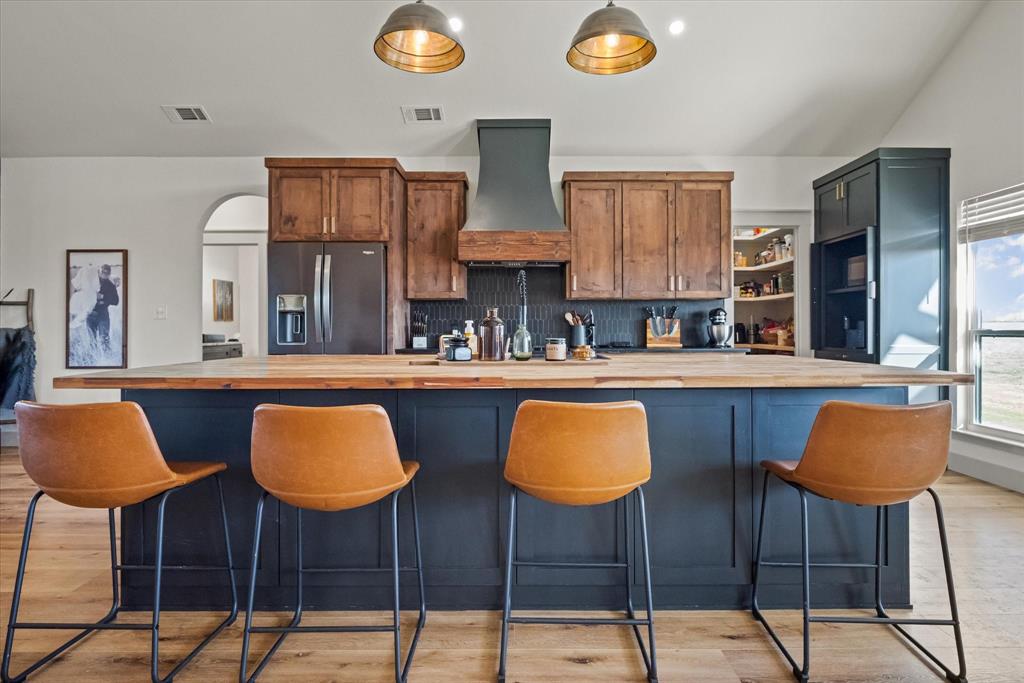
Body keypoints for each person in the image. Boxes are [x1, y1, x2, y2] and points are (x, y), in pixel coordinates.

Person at [86, 264, 119, 351]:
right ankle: (93, 362)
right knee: (92, 341)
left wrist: (103, 297)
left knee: (104, 340)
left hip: (103, 315)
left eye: (107, 272)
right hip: (90, 315)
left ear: (109, 273)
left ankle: (107, 362)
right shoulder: (89, 282)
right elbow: (79, 293)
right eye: (102, 272)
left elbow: (116, 301)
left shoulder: (110, 285)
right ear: (99, 272)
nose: (104, 274)